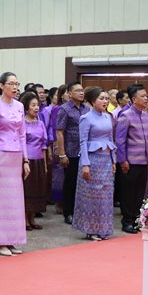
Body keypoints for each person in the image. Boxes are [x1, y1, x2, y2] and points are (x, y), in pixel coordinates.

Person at [0, 72, 29, 256]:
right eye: (11, 83)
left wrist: (26, 160)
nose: (15, 87)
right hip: (0, 155)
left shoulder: (20, 106)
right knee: (0, 201)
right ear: (1, 85)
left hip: (16, 156)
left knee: (15, 201)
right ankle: (0, 241)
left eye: (17, 84)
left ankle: (12, 240)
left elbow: (22, 134)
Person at [73, 87, 116, 241]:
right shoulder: (86, 118)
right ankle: (90, 230)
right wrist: (85, 164)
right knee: (91, 196)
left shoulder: (108, 117)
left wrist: (113, 160)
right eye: (101, 98)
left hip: (106, 161)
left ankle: (103, 229)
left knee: (105, 195)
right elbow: (83, 142)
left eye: (106, 98)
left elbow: (110, 139)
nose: (105, 101)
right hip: (92, 160)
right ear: (92, 100)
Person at [115, 84, 148, 234]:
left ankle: (136, 219)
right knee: (128, 193)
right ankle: (127, 222)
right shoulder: (125, 115)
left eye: (147, 96)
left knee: (140, 192)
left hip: (144, 161)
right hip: (130, 161)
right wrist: (123, 160)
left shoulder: (146, 116)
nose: (146, 99)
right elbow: (120, 140)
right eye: (142, 96)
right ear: (133, 99)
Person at [56, 82, 85, 225]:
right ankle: (68, 212)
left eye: (82, 90)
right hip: (71, 151)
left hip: (84, 151)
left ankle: (80, 211)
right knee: (70, 183)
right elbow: (59, 132)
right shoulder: (64, 109)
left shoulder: (86, 108)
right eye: (77, 90)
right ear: (69, 93)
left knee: (83, 183)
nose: (81, 92)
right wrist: (62, 154)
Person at [21, 91, 49, 231]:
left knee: (38, 189)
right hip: (27, 160)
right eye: (33, 105)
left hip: (39, 160)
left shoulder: (41, 123)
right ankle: (25, 219)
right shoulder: (22, 123)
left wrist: (45, 164)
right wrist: (24, 161)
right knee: (27, 190)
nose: (36, 108)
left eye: (37, 105)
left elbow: (44, 145)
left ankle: (32, 218)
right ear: (26, 108)